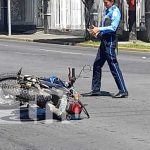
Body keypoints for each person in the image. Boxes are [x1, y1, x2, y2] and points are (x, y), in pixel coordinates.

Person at [83, 0, 128, 98]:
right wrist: (96, 32)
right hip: (104, 41)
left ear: (112, 1)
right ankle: (95, 89)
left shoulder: (115, 11)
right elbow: (105, 28)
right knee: (97, 64)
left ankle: (123, 90)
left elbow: (113, 27)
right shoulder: (107, 11)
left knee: (113, 66)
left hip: (110, 42)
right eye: (104, 2)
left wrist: (99, 29)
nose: (105, 4)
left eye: (106, 2)